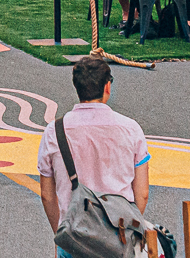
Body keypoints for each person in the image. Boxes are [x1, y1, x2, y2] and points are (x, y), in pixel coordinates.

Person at [36, 57, 150, 246]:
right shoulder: (131, 129)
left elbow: (47, 195)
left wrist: (61, 232)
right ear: (107, 87)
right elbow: (142, 193)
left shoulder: (54, 132)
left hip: (75, 235)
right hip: (119, 236)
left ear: (77, 87)